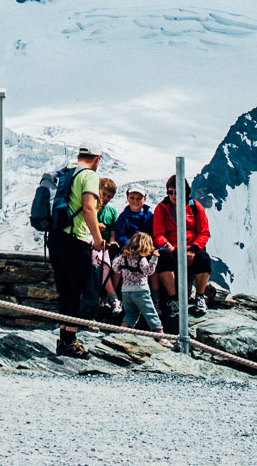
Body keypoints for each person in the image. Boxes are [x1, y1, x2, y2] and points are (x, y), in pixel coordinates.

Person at [48, 140, 105, 359]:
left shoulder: (66, 172)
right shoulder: (89, 175)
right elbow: (89, 208)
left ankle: (64, 337)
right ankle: (69, 342)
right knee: (76, 290)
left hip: (56, 238)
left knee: (65, 288)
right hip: (75, 239)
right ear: (97, 158)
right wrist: (98, 240)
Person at [153, 175, 212, 320]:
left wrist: (193, 249)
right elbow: (158, 233)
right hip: (172, 249)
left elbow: (204, 232)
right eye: (170, 192)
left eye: (176, 192)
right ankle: (174, 300)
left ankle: (199, 296)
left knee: (204, 259)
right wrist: (165, 244)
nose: (173, 195)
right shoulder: (162, 208)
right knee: (163, 261)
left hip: (191, 248)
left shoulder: (195, 207)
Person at [114, 232, 162, 331]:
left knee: (130, 314)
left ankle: (122, 332)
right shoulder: (141, 259)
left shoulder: (123, 257)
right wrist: (154, 258)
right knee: (151, 314)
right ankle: (160, 335)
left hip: (126, 291)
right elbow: (148, 271)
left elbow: (115, 267)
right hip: (141, 290)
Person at [94, 177, 121, 315]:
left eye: (109, 196)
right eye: (103, 194)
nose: (105, 198)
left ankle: (106, 297)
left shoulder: (111, 212)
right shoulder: (92, 208)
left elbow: (112, 232)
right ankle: (112, 297)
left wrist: (112, 241)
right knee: (103, 264)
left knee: (117, 264)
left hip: (106, 246)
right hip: (94, 245)